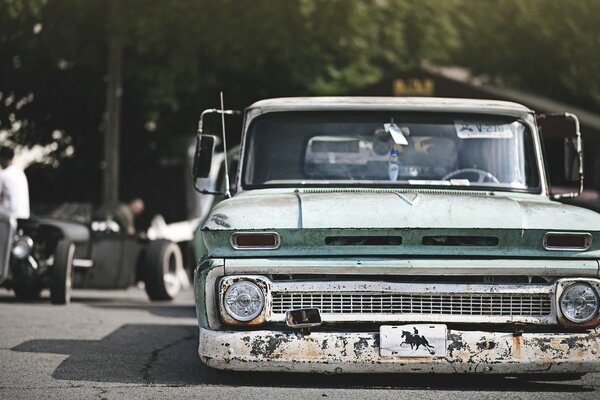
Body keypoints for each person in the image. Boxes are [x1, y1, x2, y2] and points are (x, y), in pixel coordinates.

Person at [0, 146, 30, 219]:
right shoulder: (21, 173)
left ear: (2, 159)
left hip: (9, 217)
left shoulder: (3, 175)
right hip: (24, 215)